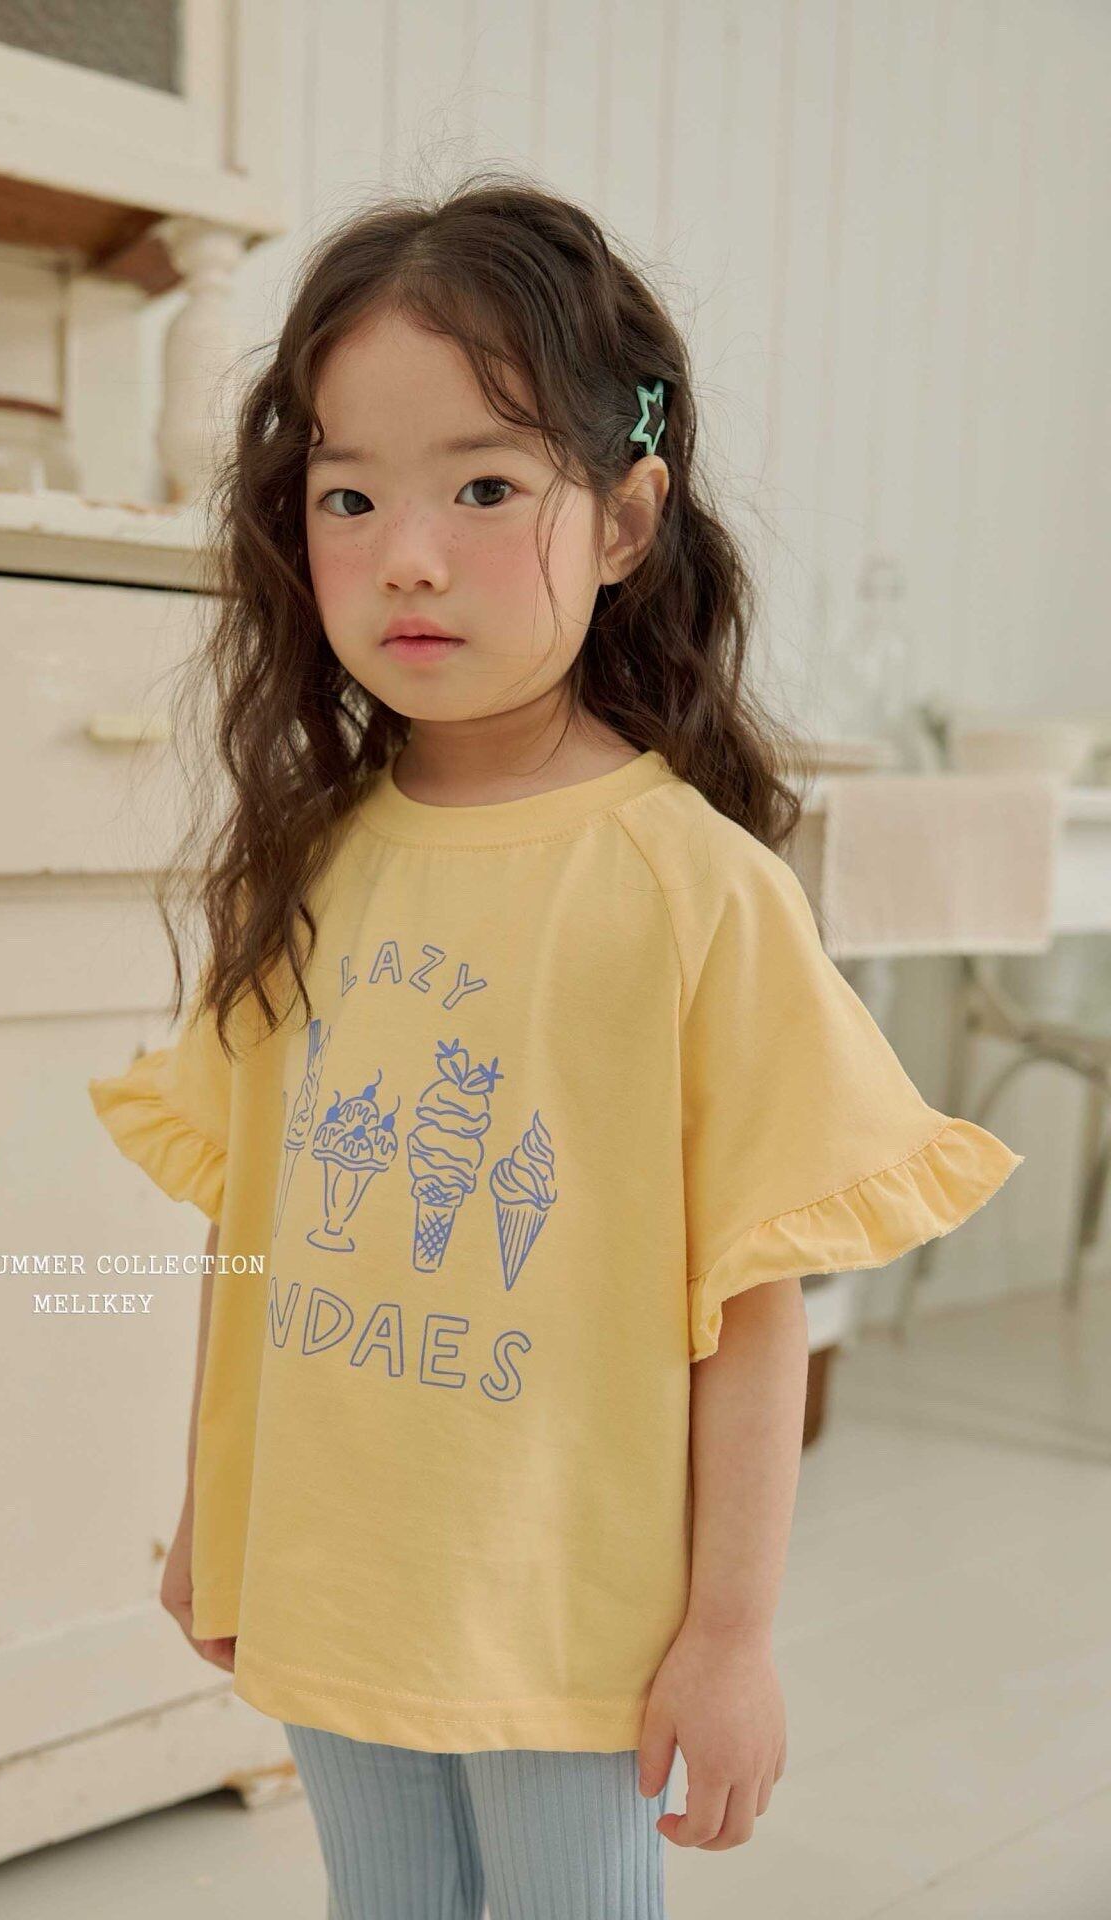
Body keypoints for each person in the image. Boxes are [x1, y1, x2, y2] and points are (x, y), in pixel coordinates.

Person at [87, 175, 1023, 1919]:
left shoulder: (693, 890)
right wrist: (222, 1512)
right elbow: (253, 1221)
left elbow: (752, 1303)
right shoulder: (308, 866)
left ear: (625, 518)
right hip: (339, 1571)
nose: (408, 553)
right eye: (350, 496)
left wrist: (730, 1635)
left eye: (485, 487)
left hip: (568, 1613)